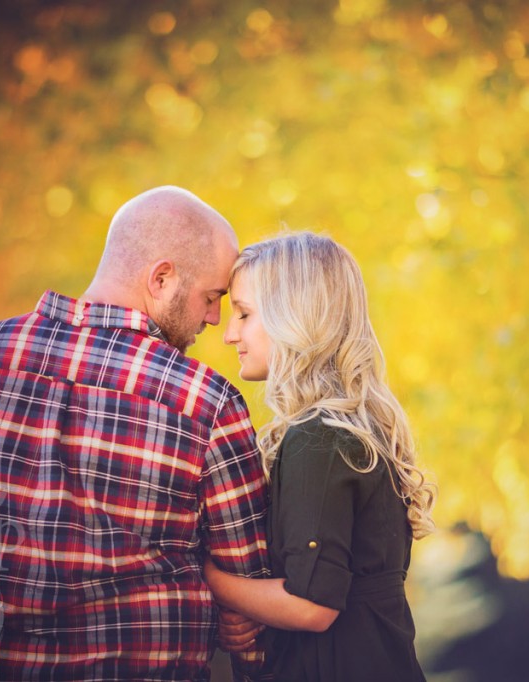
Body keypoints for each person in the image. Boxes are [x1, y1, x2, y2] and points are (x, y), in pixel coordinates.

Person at [0, 186, 269, 681]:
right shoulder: (204, 403)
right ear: (162, 278)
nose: (215, 318)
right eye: (211, 297)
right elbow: (247, 586)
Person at [205, 231, 436, 682]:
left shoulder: (320, 438)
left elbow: (312, 606)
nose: (230, 334)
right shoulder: (348, 428)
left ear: (295, 317)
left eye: (245, 314)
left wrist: (213, 580)